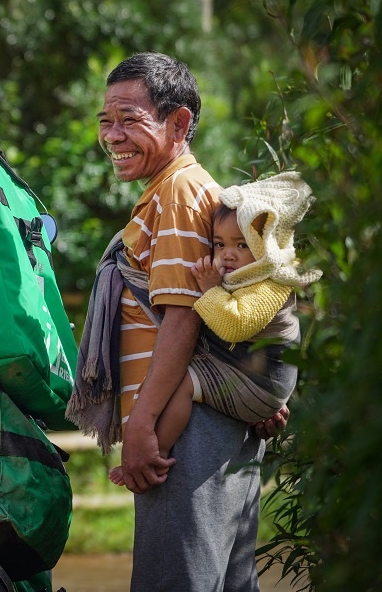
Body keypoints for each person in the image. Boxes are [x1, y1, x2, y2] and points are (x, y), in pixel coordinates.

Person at [66, 51, 290, 590]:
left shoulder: (181, 192)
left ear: (179, 123)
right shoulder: (169, 194)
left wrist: (143, 426)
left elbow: (184, 316)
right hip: (201, 423)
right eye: (106, 121)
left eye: (129, 119)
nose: (113, 135)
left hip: (185, 431)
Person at [107, 172, 321, 486]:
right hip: (251, 376)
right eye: (219, 244)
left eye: (242, 245)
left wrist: (209, 291)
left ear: (268, 246)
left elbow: (235, 324)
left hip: (261, 384)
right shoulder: (244, 274)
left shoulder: (273, 282)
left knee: (179, 382)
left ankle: (152, 454)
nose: (227, 254)